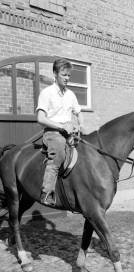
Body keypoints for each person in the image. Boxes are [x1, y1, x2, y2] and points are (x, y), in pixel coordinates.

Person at [36, 58, 85, 206]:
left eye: (69, 76)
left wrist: (81, 125)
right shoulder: (47, 93)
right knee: (59, 154)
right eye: (64, 75)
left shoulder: (70, 94)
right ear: (55, 74)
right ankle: (47, 192)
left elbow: (78, 112)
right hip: (53, 133)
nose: (67, 78)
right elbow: (40, 118)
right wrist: (61, 127)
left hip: (69, 133)